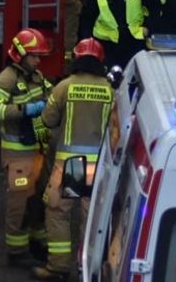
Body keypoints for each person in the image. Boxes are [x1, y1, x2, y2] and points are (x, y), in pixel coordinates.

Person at [33, 39, 115, 281]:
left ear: (76, 59)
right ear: (100, 61)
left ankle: (57, 267)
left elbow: (48, 120)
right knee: (91, 219)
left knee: (58, 212)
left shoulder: (65, 87)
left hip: (71, 163)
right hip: (98, 166)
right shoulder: (110, 90)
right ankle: (85, 268)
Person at [0, 28, 53, 267]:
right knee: (19, 204)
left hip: (37, 150)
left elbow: (52, 97)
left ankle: (37, 243)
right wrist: (25, 111)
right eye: (34, 56)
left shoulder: (37, 76)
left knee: (38, 201)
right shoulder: (7, 79)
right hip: (18, 153)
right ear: (20, 55)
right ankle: (17, 251)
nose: (38, 60)